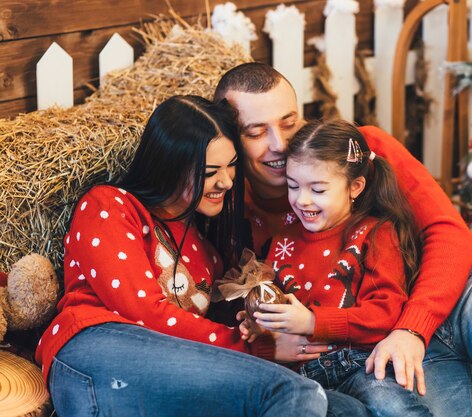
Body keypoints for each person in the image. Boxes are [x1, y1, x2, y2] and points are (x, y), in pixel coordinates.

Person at [214, 63, 472, 417]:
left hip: (465, 292)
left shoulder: (356, 151)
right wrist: (268, 342)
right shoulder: (227, 207)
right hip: (382, 345)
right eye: (256, 131)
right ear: (231, 138)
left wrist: (412, 327)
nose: (280, 144)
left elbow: (448, 233)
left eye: (289, 122)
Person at [35, 95, 334, 417]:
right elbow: (145, 313)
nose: (227, 181)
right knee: (292, 393)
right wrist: (258, 347)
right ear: (169, 167)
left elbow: (200, 335)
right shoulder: (110, 206)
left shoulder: (206, 250)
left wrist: (259, 325)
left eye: (232, 166)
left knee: (342, 408)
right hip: (95, 351)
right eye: (210, 171)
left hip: (165, 364)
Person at [243, 119, 431, 416]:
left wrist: (311, 322)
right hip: (297, 375)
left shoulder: (374, 233)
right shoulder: (281, 241)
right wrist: (258, 324)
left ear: (354, 187)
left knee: (392, 406)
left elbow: (385, 314)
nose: (302, 200)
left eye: (317, 190)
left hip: (360, 366)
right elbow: (270, 310)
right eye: (292, 186)